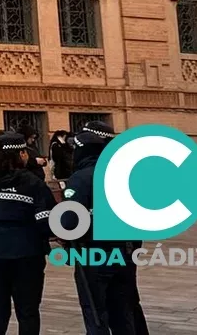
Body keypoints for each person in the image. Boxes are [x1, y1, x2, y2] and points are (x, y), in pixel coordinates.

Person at [0, 133, 55, 335]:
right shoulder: (32, 182)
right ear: (21, 153)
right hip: (27, 251)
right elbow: (46, 221)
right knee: (28, 311)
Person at [62, 123, 147, 334]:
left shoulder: (81, 178)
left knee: (96, 314)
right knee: (122, 313)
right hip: (123, 253)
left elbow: (69, 220)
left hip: (93, 254)